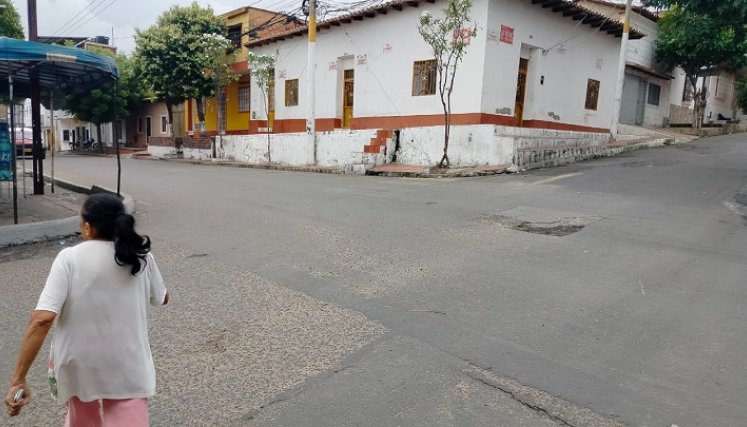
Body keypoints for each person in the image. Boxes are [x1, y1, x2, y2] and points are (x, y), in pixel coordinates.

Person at [4, 192, 169, 426]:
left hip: (78, 365)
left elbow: (42, 319)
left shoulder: (69, 259)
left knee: (82, 420)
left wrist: (18, 379)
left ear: (89, 228)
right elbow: (162, 298)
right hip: (127, 364)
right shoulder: (141, 257)